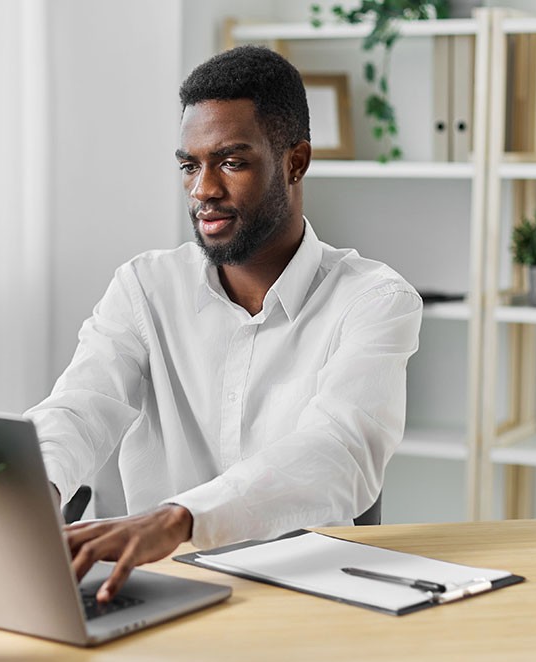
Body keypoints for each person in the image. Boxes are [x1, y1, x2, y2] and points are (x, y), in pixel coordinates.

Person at [26, 45, 422, 602]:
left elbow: (338, 451)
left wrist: (178, 518)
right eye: (190, 164)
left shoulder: (374, 299)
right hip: (159, 588)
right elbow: (79, 408)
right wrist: (29, 491)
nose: (202, 189)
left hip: (304, 594)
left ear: (295, 161)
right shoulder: (145, 287)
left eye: (231, 162)